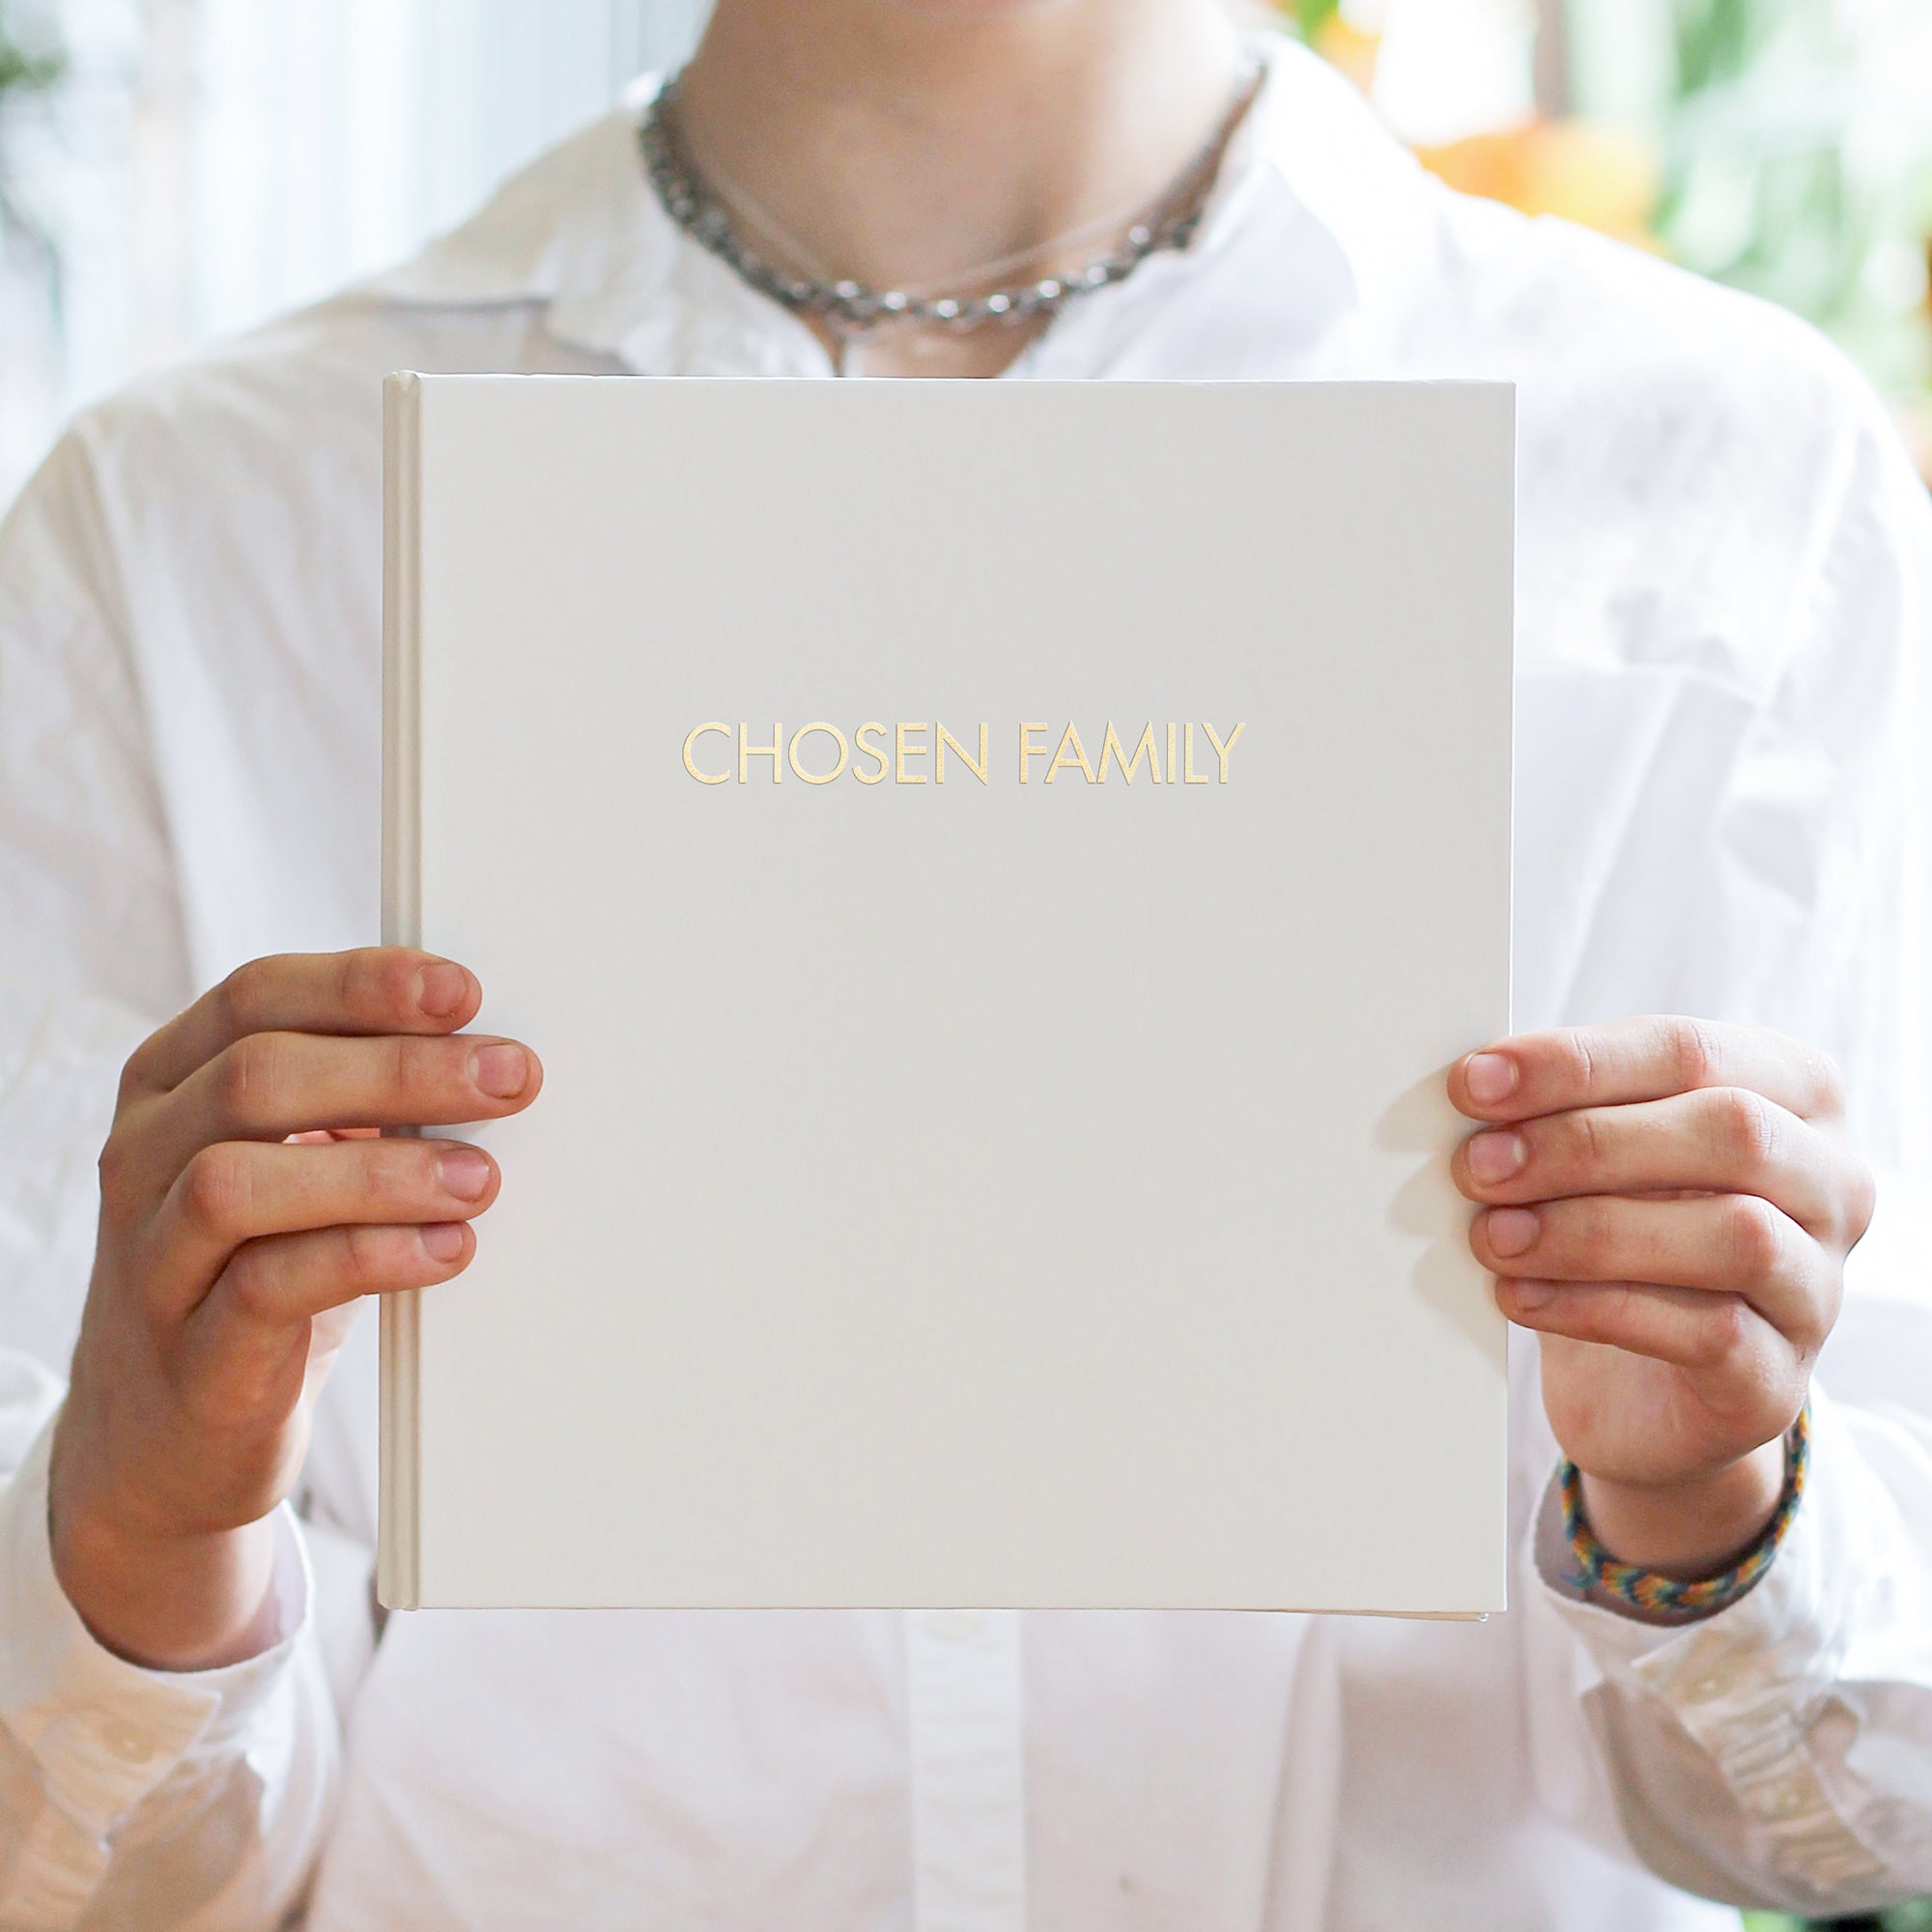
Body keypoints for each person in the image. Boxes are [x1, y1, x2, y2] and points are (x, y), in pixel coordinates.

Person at [0, 1, 1928, 1926]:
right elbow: (85, 1873)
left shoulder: (1724, 488)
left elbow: (1860, 1821)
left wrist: (1703, 1509)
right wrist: (150, 1528)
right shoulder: (186, 529)